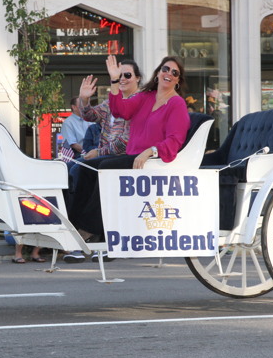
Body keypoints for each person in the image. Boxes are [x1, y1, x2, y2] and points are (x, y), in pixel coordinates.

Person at [68, 56, 190, 242]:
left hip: (151, 161)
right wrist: (114, 81)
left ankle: (88, 229)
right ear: (158, 73)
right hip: (134, 156)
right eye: (166, 69)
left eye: (175, 73)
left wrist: (149, 151)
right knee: (86, 167)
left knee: (105, 169)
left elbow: (175, 140)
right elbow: (120, 110)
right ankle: (73, 225)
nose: (169, 74)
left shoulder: (177, 103)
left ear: (178, 81)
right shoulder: (146, 97)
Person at [63, 57, 140, 262]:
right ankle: (74, 229)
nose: (122, 79)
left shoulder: (139, 102)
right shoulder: (110, 102)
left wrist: (99, 151)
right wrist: (84, 99)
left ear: (138, 78)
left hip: (129, 158)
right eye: (118, 75)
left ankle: (87, 232)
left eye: (127, 75)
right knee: (75, 169)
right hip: (106, 158)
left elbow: (127, 140)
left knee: (99, 169)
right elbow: (89, 115)